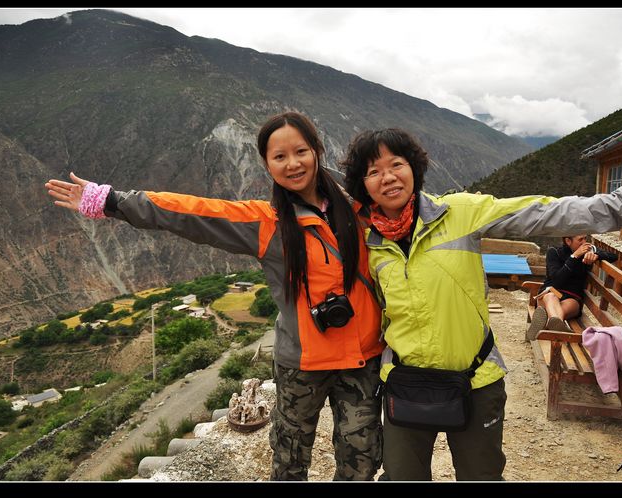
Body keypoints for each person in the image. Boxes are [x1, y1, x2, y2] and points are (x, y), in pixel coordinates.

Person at [45, 112, 384, 481]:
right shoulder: (267, 224)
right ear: (267, 164)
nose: (292, 164)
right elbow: (192, 212)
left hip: (361, 358)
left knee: (361, 459)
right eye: (279, 156)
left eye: (300, 151)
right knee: (289, 459)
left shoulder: (361, 208)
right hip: (302, 363)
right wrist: (112, 201)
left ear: (317, 150)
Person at [341, 128, 622, 481]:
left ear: (414, 167)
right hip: (406, 381)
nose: (388, 177)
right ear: (363, 183)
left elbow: (542, 212)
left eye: (396, 164)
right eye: (374, 171)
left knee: (482, 477)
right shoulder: (366, 241)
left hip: (475, 380)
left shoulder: (459, 212)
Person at [526, 235, 619, 340]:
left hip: (571, 298)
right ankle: (557, 327)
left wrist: (596, 254)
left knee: (561, 310)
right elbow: (557, 281)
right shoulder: (554, 252)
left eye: (585, 238)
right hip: (551, 292)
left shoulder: (588, 250)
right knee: (551, 296)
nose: (584, 242)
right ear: (568, 241)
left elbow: (613, 256)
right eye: (580, 239)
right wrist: (574, 257)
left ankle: (549, 323)